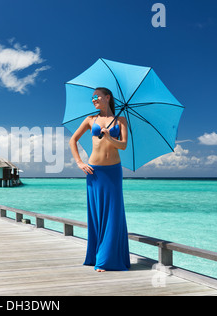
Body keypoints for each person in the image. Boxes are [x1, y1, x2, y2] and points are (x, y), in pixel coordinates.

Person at [69, 87, 131, 272]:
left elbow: (124, 145)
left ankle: (106, 260)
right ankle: (97, 255)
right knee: (97, 214)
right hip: (94, 172)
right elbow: (73, 140)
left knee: (113, 213)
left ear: (107, 97)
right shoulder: (90, 120)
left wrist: (109, 136)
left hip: (113, 171)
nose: (94, 99)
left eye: (97, 97)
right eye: (93, 98)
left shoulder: (120, 120)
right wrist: (79, 162)